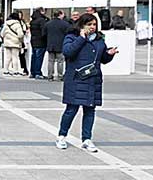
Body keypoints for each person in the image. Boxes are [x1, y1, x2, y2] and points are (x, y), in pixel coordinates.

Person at [56, 12, 117, 152]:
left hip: (93, 79)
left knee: (90, 110)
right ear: (82, 25)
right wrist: (82, 38)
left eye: (94, 24)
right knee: (71, 109)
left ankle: (87, 139)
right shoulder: (72, 37)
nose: (92, 27)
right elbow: (68, 52)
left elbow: (102, 59)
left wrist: (109, 55)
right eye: (89, 24)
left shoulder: (99, 40)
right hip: (76, 79)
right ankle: (61, 136)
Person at [44, 10, 71, 81]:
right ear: (60, 14)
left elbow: (44, 34)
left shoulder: (48, 23)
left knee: (50, 61)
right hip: (60, 45)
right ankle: (60, 76)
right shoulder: (65, 24)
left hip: (50, 45)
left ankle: (50, 76)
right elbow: (68, 33)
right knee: (60, 61)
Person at [0, 11, 27, 76]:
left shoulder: (6, 24)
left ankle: (6, 70)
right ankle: (15, 70)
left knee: (8, 57)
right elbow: (20, 35)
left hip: (7, 43)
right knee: (15, 57)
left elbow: (2, 34)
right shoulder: (17, 24)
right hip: (15, 43)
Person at [29, 8, 48, 79]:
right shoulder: (42, 20)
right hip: (41, 41)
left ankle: (32, 72)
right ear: (41, 11)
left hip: (33, 40)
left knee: (34, 57)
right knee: (39, 57)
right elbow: (44, 32)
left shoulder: (33, 20)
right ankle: (37, 72)